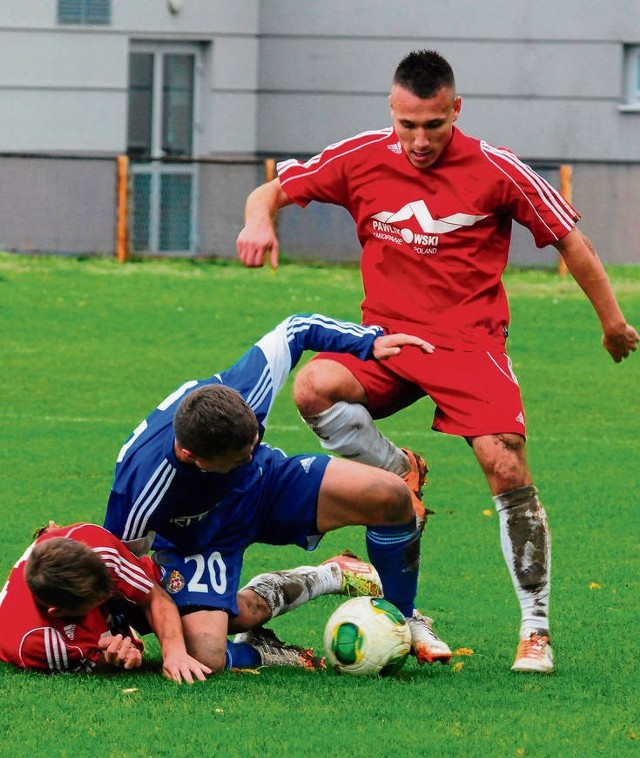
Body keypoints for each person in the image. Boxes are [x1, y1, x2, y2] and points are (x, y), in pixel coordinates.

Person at [236, 50, 639, 674]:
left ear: (456, 110)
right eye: (408, 126)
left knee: (502, 461)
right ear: (391, 112)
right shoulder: (361, 156)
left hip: (469, 344)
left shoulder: (497, 169)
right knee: (314, 385)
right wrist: (259, 221)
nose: (420, 140)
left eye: (434, 125)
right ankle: (400, 470)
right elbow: (273, 189)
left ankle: (535, 628)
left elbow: (569, 240)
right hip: (386, 342)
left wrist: (611, 320)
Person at [103, 312, 453, 675]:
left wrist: (369, 342)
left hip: (264, 484)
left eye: (254, 442)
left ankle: (404, 617)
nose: (251, 451)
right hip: (200, 542)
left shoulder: (244, 391)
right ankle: (321, 583)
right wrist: (120, 635)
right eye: (241, 456)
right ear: (194, 458)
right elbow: (120, 569)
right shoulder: (140, 488)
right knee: (208, 656)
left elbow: (295, 329)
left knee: (390, 496)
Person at [0, 521, 211, 681]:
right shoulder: (39, 643)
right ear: (59, 612)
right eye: (98, 598)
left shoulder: (96, 545)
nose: (107, 594)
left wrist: (174, 652)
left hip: (94, 589)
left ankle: (244, 602)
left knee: (195, 608)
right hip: (60, 627)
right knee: (207, 654)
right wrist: (114, 660)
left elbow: (154, 596)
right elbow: (93, 662)